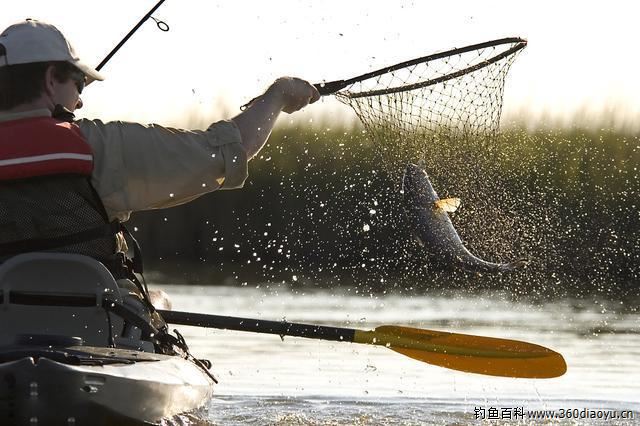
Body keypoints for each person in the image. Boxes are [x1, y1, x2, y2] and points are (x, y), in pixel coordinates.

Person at [0, 19, 320, 310]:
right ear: (50, 79)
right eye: (78, 84)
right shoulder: (103, 146)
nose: (80, 100)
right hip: (94, 326)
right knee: (158, 301)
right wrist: (278, 95)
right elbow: (232, 148)